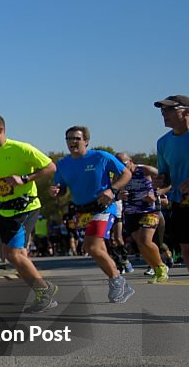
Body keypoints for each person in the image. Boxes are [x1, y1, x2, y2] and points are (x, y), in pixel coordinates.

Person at [0, 114, 58, 312]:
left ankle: (44, 290)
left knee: (12, 254)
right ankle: (43, 291)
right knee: (15, 254)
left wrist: (26, 178)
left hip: (25, 207)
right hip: (3, 209)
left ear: (0, 130)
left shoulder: (21, 148)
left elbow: (51, 167)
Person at [50, 126, 134, 303]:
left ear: (86, 141)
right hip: (82, 211)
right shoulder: (62, 164)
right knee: (99, 249)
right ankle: (121, 284)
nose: (72, 142)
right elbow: (62, 187)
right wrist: (57, 190)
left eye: (76, 138)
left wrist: (112, 190)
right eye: (69, 139)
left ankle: (117, 281)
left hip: (103, 207)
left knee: (92, 247)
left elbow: (126, 173)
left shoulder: (101, 157)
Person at [154, 95, 189, 284]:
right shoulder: (163, 143)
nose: (164, 114)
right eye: (162, 110)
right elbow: (166, 178)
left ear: (188, 111)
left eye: (170, 109)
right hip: (183, 203)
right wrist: (159, 182)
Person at [116, 153, 170, 283]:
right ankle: (156, 268)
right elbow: (113, 191)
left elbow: (168, 181)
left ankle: (162, 267)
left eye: (122, 164)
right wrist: (119, 195)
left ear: (131, 161)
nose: (120, 168)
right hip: (130, 212)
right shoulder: (119, 175)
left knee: (145, 240)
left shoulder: (146, 170)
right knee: (140, 244)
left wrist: (156, 194)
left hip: (149, 210)